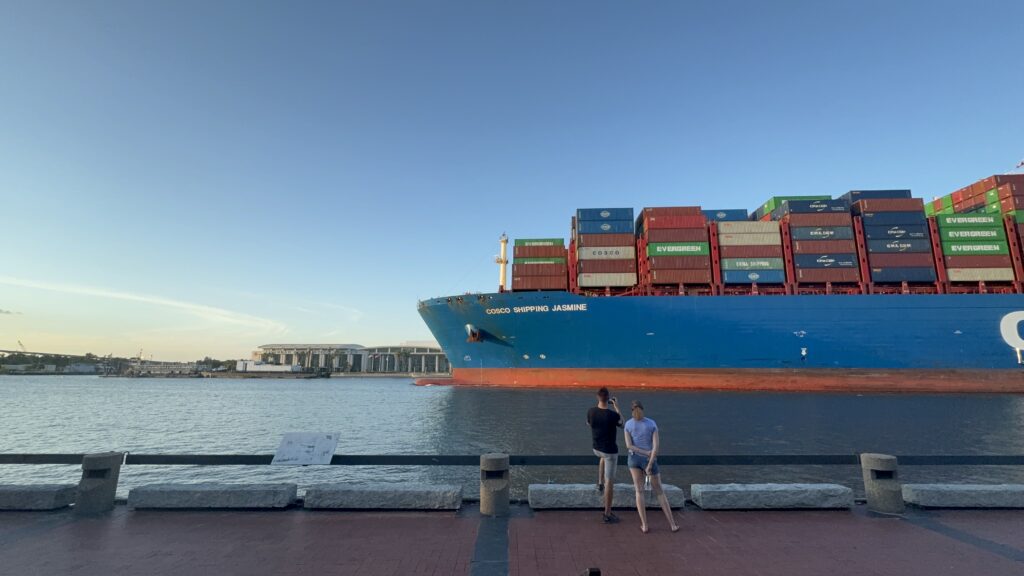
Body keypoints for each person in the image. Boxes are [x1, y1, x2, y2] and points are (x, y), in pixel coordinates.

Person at [623, 399, 679, 534]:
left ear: (631, 410)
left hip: (634, 459)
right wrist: (649, 462)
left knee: (639, 491)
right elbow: (656, 447)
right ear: (643, 409)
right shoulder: (651, 424)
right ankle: (672, 524)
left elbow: (629, 446)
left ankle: (644, 525)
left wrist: (642, 452)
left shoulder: (628, 425)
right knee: (659, 492)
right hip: (650, 459)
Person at [587, 387, 622, 524]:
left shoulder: (591, 411)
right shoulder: (612, 415)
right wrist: (617, 407)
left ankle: (599, 482)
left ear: (597, 397)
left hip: (596, 449)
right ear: (608, 399)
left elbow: (589, 423)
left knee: (603, 457)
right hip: (609, 451)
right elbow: (622, 423)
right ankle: (607, 514)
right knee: (610, 482)